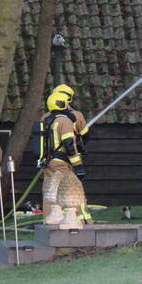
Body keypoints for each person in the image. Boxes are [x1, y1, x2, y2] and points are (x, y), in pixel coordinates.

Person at [39, 86, 90, 228]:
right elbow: (70, 143)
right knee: (71, 189)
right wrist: (78, 164)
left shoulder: (45, 117)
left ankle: (51, 220)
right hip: (63, 161)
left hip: (48, 161)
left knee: (51, 190)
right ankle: (77, 220)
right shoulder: (68, 118)